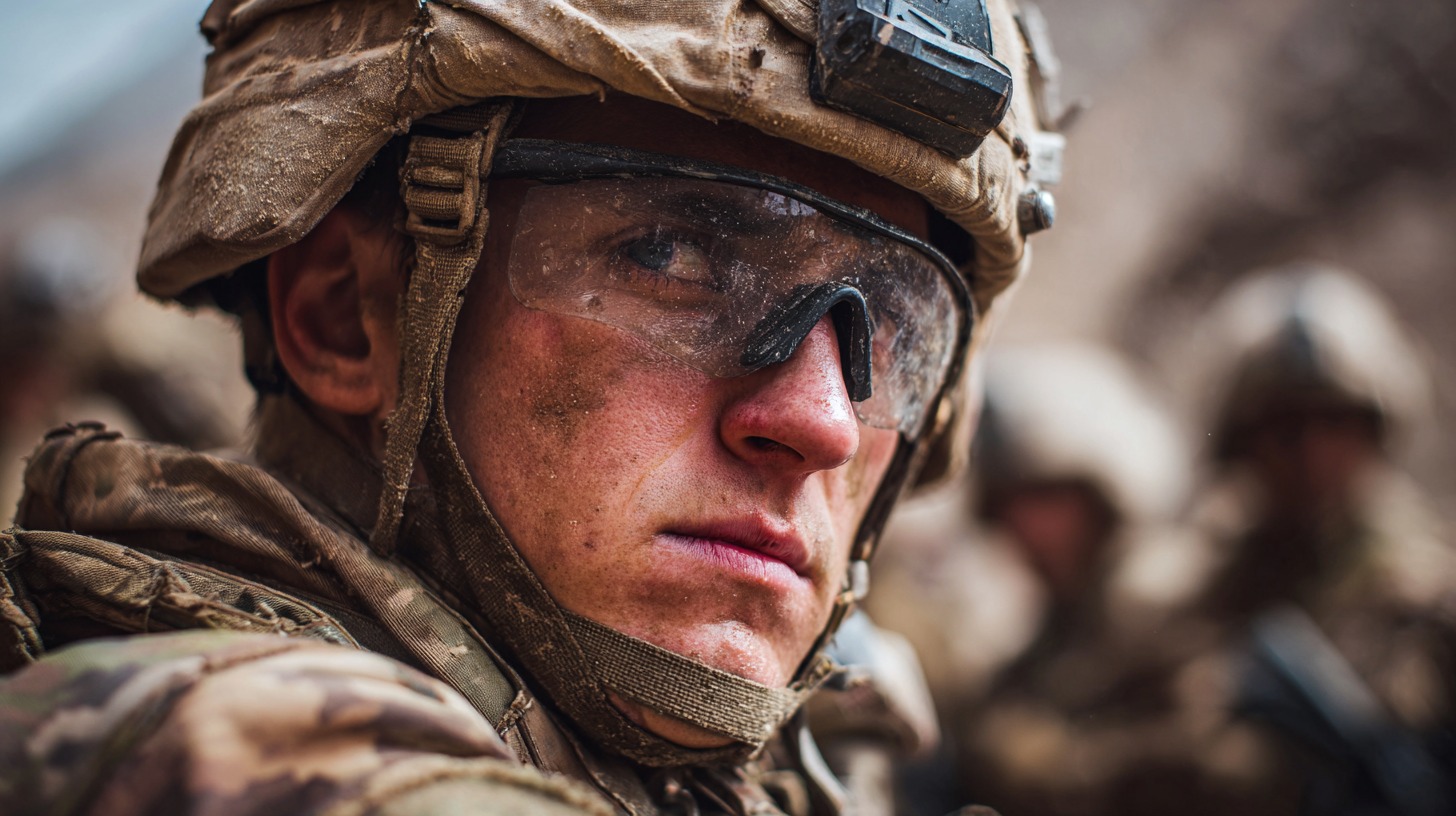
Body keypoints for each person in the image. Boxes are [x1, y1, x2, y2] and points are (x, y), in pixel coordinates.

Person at [0, 1, 1066, 814]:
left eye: (892, 323)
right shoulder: (263, 759)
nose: (821, 421)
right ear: (342, 320)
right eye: (671, 255)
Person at [1168, 265, 1456, 815]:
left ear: (1375, 431)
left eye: (1336, 422)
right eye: (1286, 427)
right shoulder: (1190, 597)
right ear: (1243, 442)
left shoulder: (1433, 598)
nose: (1312, 453)